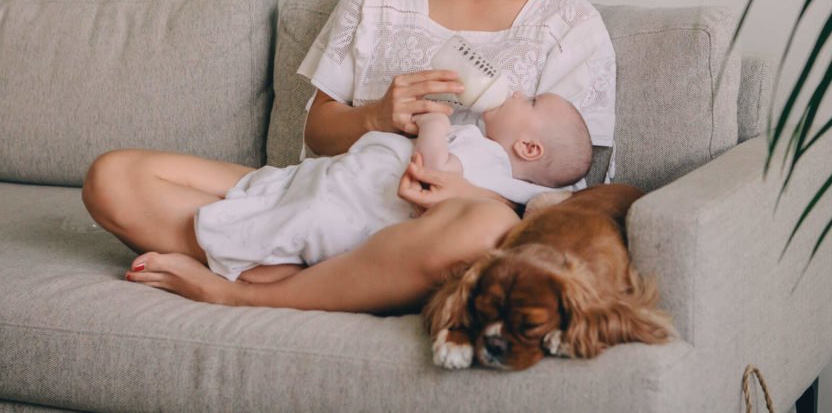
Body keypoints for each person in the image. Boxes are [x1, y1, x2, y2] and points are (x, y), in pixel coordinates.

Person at [82, 0, 617, 313]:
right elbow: (318, 133)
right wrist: (377, 116)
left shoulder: (571, 25)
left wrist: (467, 193)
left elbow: (563, 197)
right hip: (331, 194)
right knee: (112, 180)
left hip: (433, 233)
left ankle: (244, 293)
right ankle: (323, 273)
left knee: (483, 233)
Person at [194, 92, 592, 281]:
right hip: (360, 204)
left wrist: (434, 124)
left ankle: (242, 257)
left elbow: (432, 171)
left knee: (292, 219)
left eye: (531, 101)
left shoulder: (490, 157)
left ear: (528, 147)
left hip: (362, 208)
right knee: (292, 219)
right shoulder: (496, 169)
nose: (519, 92)